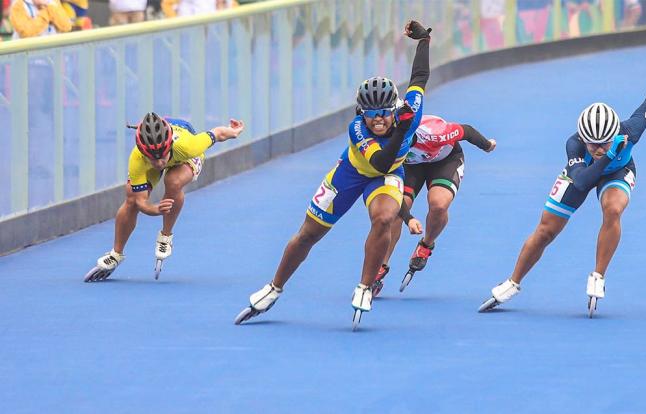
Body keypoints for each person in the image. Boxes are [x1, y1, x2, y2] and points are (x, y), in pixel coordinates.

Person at [234, 20, 432, 330]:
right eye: (369, 114)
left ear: (394, 108)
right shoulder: (357, 129)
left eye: (383, 113)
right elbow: (379, 160)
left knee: (384, 219)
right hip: (351, 173)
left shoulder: (411, 107)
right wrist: (402, 128)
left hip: (388, 176)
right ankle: (274, 288)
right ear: (360, 112)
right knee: (308, 234)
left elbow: (420, 75)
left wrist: (424, 39)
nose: (377, 120)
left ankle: (365, 286)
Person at [479, 39, 646, 317]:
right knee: (546, 230)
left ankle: (598, 275)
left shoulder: (631, 130)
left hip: (620, 171)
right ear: (582, 138)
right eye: (592, 145)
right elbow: (583, 182)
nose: (597, 149)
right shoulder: (573, 146)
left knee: (613, 209)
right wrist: (609, 156)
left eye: (603, 144)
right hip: (582, 175)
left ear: (614, 135)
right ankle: (513, 282)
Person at [83, 113, 245, 282]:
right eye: (154, 159)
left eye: (163, 156)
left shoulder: (188, 146)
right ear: (144, 154)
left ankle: (166, 236)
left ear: (168, 147)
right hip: (161, 153)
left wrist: (234, 131)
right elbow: (140, 202)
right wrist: (155, 209)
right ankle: (116, 254)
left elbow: (218, 133)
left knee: (173, 181)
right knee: (130, 200)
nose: (160, 163)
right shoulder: (137, 158)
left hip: (183, 156)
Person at [372, 115, 497, 296]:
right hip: (410, 166)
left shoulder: (435, 134)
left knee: (439, 205)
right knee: (394, 212)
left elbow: (467, 131)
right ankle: (380, 267)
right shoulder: (383, 146)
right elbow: (394, 196)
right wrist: (408, 218)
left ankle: (426, 244)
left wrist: (487, 145)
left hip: (444, 160)